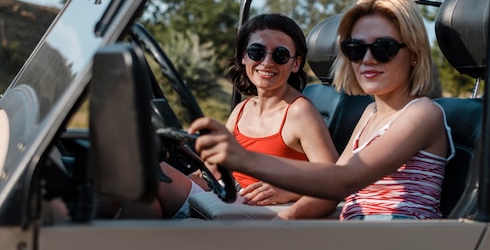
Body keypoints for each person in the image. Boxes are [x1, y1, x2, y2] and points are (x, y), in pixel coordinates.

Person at [189, 0, 456, 220]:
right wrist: (284, 222)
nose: (368, 59)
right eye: (355, 48)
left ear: (414, 54)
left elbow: (343, 182)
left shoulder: (422, 113)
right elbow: (332, 181)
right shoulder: (371, 113)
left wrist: (244, 159)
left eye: (383, 48)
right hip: (355, 233)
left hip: (399, 246)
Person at [113, 13, 338, 219]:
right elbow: (214, 168)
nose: (267, 62)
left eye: (280, 55)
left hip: (257, 211)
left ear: (296, 63)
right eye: (256, 52)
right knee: (140, 191)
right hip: (226, 196)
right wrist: (188, 180)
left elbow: (335, 181)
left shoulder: (300, 111)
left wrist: (290, 190)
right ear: (243, 57)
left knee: (145, 172)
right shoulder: (243, 109)